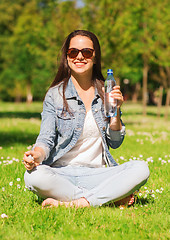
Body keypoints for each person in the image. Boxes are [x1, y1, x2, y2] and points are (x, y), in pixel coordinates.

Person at [23, 30, 150, 208]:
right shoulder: (55, 95)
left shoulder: (106, 91)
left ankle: (76, 203)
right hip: (61, 173)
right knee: (33, 176)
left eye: (87, 52)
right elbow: (46, 138)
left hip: (96, 174)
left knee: (141, 168)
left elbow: (115, 142)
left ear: (95, 57)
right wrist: (36, 155)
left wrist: (116, 113)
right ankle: (106, 197)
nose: (80, 57)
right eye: (73, 52)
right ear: (67, 57)